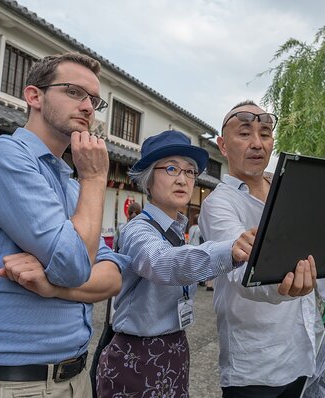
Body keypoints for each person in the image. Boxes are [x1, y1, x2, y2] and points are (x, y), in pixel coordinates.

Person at [0, 53, 129, 398]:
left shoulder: (70, 184)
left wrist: (52, 287)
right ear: (34, 96)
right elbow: (76, 263)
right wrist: (95, 178)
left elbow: (114, 277)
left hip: (75, 376)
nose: (89, 107)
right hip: (12, 382)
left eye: (94, 100)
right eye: (75, 92)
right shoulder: (2, 156)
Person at [199, 101, 325, 397]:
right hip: (254, 367)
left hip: (304, 354)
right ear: (223, 146)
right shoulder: (218, 205)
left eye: (265, 134)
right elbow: (244, 276)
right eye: (245, 133)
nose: (257, 143)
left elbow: (317, 254)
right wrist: (282, 287)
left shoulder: (292, 189)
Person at [95, 130, 257, 397]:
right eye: (172, 168)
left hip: (174, 351)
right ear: (148, 177)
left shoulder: (174, 229)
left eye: (190, 172)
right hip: (137, 358)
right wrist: (230, 250)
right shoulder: (138, 230)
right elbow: (162, 263)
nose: (183, 179)